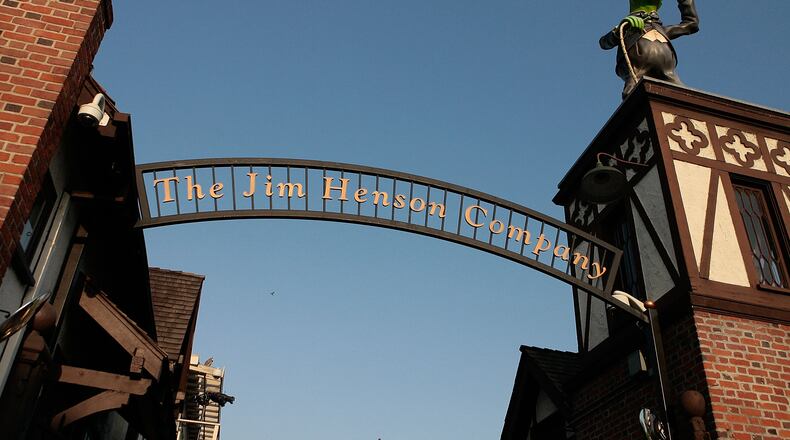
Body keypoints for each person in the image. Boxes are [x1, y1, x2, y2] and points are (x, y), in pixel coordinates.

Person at [600, 0, 699, 99]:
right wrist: (620, 29)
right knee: (632, 93)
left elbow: (691, 24)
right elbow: (604, 43)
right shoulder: (627, 28)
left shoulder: (662, 30)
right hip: (636, 72)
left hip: (669, 73)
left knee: (684, 96)